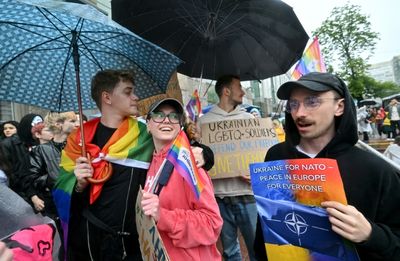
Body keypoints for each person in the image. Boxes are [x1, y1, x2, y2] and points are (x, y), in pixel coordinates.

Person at [53, 69, 214, 260]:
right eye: (128, 92)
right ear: (107, 97)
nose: (135, 97)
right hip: (90, 241)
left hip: (135, 244)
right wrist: (78, 184)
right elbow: (61, 196)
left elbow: (184, 147)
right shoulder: (78, 140)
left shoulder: (146, 132)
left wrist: (205, 155)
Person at [254, 72, 400, 260]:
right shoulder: (276, 156)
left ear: (339, 107)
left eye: (312, 102)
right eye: (293, 104)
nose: (300, 113)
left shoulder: (375, 170)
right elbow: (266, 220)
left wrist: (371, 234)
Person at [141, 98, 222, 260]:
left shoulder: (189, 164)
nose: (166, 120)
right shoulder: (149, 162)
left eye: (173, 116)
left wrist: (162, 216)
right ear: (148, 124)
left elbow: (212, 224)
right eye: (158, 115)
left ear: (180, 126)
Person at [199, 74, 257, 261]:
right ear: (226, 91)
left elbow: (261, 156)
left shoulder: (250, 119)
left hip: (247, 196)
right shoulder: (203, 122)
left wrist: (255, 173)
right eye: (239, 86)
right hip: (218, 198)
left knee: (257, 249)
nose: (243, 91)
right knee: (230, 251)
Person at [0, 113, 43, 200]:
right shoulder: (7, 144)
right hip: (19, 193)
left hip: (38, 191)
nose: (39, 128)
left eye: (41, 124)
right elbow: (10, 170)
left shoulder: (40, 142)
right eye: (36, 124)